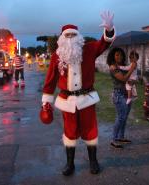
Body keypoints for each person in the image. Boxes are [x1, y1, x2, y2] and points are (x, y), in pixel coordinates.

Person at [40, 11, 116, 176]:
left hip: (86, 98)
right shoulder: (56, 57)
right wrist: (46, 101)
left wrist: (109, 30)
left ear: (79, 37)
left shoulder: (89, 49)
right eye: (66, 36)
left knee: (91, 130)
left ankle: (93, 161)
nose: (69, 39)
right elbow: (50, 80)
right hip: (67, 101)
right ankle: (70, 164)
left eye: (73, 35)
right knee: (69, 132)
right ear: (61, 39)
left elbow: (104, 43)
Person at [106, 47, 137, 148]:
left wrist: (134, 79)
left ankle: (121, 137)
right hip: (119, 95)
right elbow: (123, 79)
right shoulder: (113, 67)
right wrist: (132, 68)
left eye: (121, 54)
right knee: (120, 117)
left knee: (124, 117)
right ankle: (114, 139)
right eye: (117, 55)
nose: (119, 56)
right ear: (113, 56)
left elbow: (132, 77)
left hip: (126, 93)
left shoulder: (123, 66)